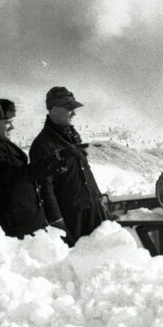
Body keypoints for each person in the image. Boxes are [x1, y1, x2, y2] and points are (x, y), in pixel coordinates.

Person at [0, 98, 67, 239]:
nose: (12, 127)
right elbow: (15, 174)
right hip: (16, 228)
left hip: (27, 222)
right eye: (7, 122)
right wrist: (53, 160)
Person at [30, 87, 107, 246]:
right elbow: (45, 188)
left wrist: (98, 196)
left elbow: (84, 169)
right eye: (70, 109)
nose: (74, 113)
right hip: (73, 216)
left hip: (92, 208)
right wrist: (57, 221)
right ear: (55, 110)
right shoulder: (43, 145)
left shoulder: (73, 135)